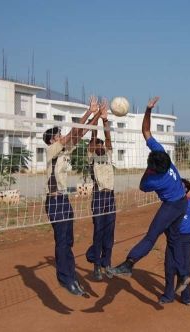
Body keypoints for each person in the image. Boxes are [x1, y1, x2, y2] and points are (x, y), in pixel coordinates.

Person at [109, 96, 190, 295]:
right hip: (182, 203)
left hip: (171, 206)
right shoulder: (161, 153)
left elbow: (142, 186)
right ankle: (183, 275)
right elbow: (146, 131)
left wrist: (147, 172)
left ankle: (129, 263)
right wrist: (148, 110)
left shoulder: (153, 180)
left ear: (153, 169)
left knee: (151, 236)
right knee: (172, 242)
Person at [43, 96, 103, 296]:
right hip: (53, 201)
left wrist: (97, 116)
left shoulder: (63, 150)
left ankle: (70, 275)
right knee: (61, 241)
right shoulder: (51, 150)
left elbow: (80, 133)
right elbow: (72, 134)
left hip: (64, 200)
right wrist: (88, 111)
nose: (61, 136)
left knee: (68, 241)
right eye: (58, 134)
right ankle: (65, 278)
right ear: (53, 140)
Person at [159, 178, 190, 305]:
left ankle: (186, 297)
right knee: (169, 267)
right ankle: (168, 296)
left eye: (181, 186)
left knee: (185, 268)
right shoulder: (169, 203)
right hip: (172, 238)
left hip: (185, 239)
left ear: (186, 189)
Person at [85, 98, 116, 281]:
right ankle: (96, 265)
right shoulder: (92, 158)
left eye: (102, 144)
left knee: (110, 231)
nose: (101, 145)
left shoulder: (108, 154)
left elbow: (108, 137)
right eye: (98, 144)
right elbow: (92, 134)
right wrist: (96, 114)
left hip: (110, 196)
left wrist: (106, 120)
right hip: (98, 196)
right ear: (93, 147)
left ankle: (107, 264)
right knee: (99, 231)